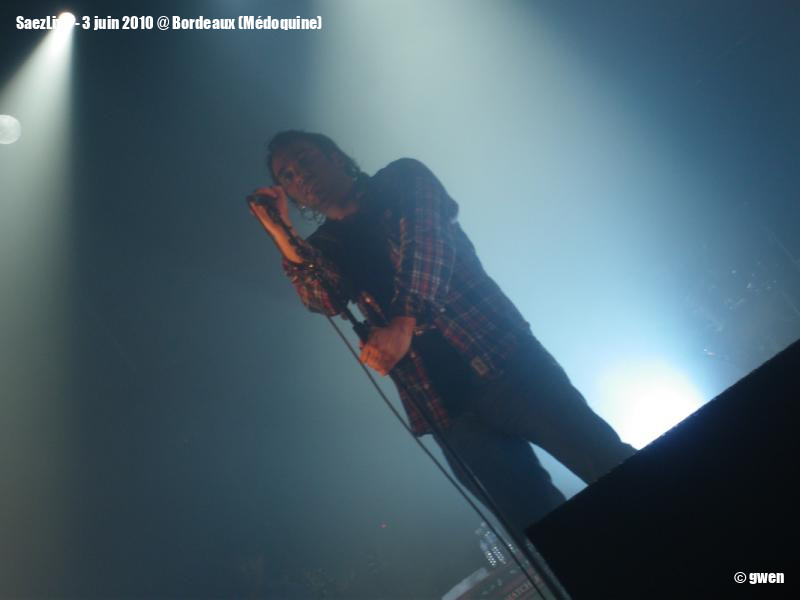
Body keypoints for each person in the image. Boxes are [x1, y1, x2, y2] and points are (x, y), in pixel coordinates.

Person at [249, 130, 636, 541]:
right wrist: (281, 232)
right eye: (287, 176)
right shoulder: (325, 246)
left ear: (335, 155)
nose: (300, 176)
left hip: (508, 364)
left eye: (305, 159)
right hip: (446, 411)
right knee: (545, 527)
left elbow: (428, 244)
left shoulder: (401, 179)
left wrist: (403, 324)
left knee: (608, 466)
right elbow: (323, 298)